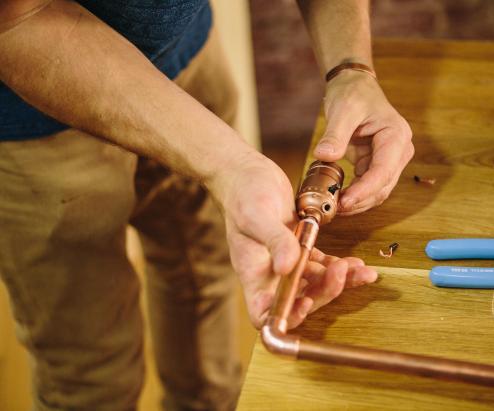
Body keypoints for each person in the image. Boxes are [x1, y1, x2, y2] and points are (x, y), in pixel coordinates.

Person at [0, 0, 414, 409]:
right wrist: (229, 165)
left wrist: (350, 69)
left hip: (188, 55)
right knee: (89, 368)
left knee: (201, 278)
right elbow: (19, 19)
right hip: (34, 111)